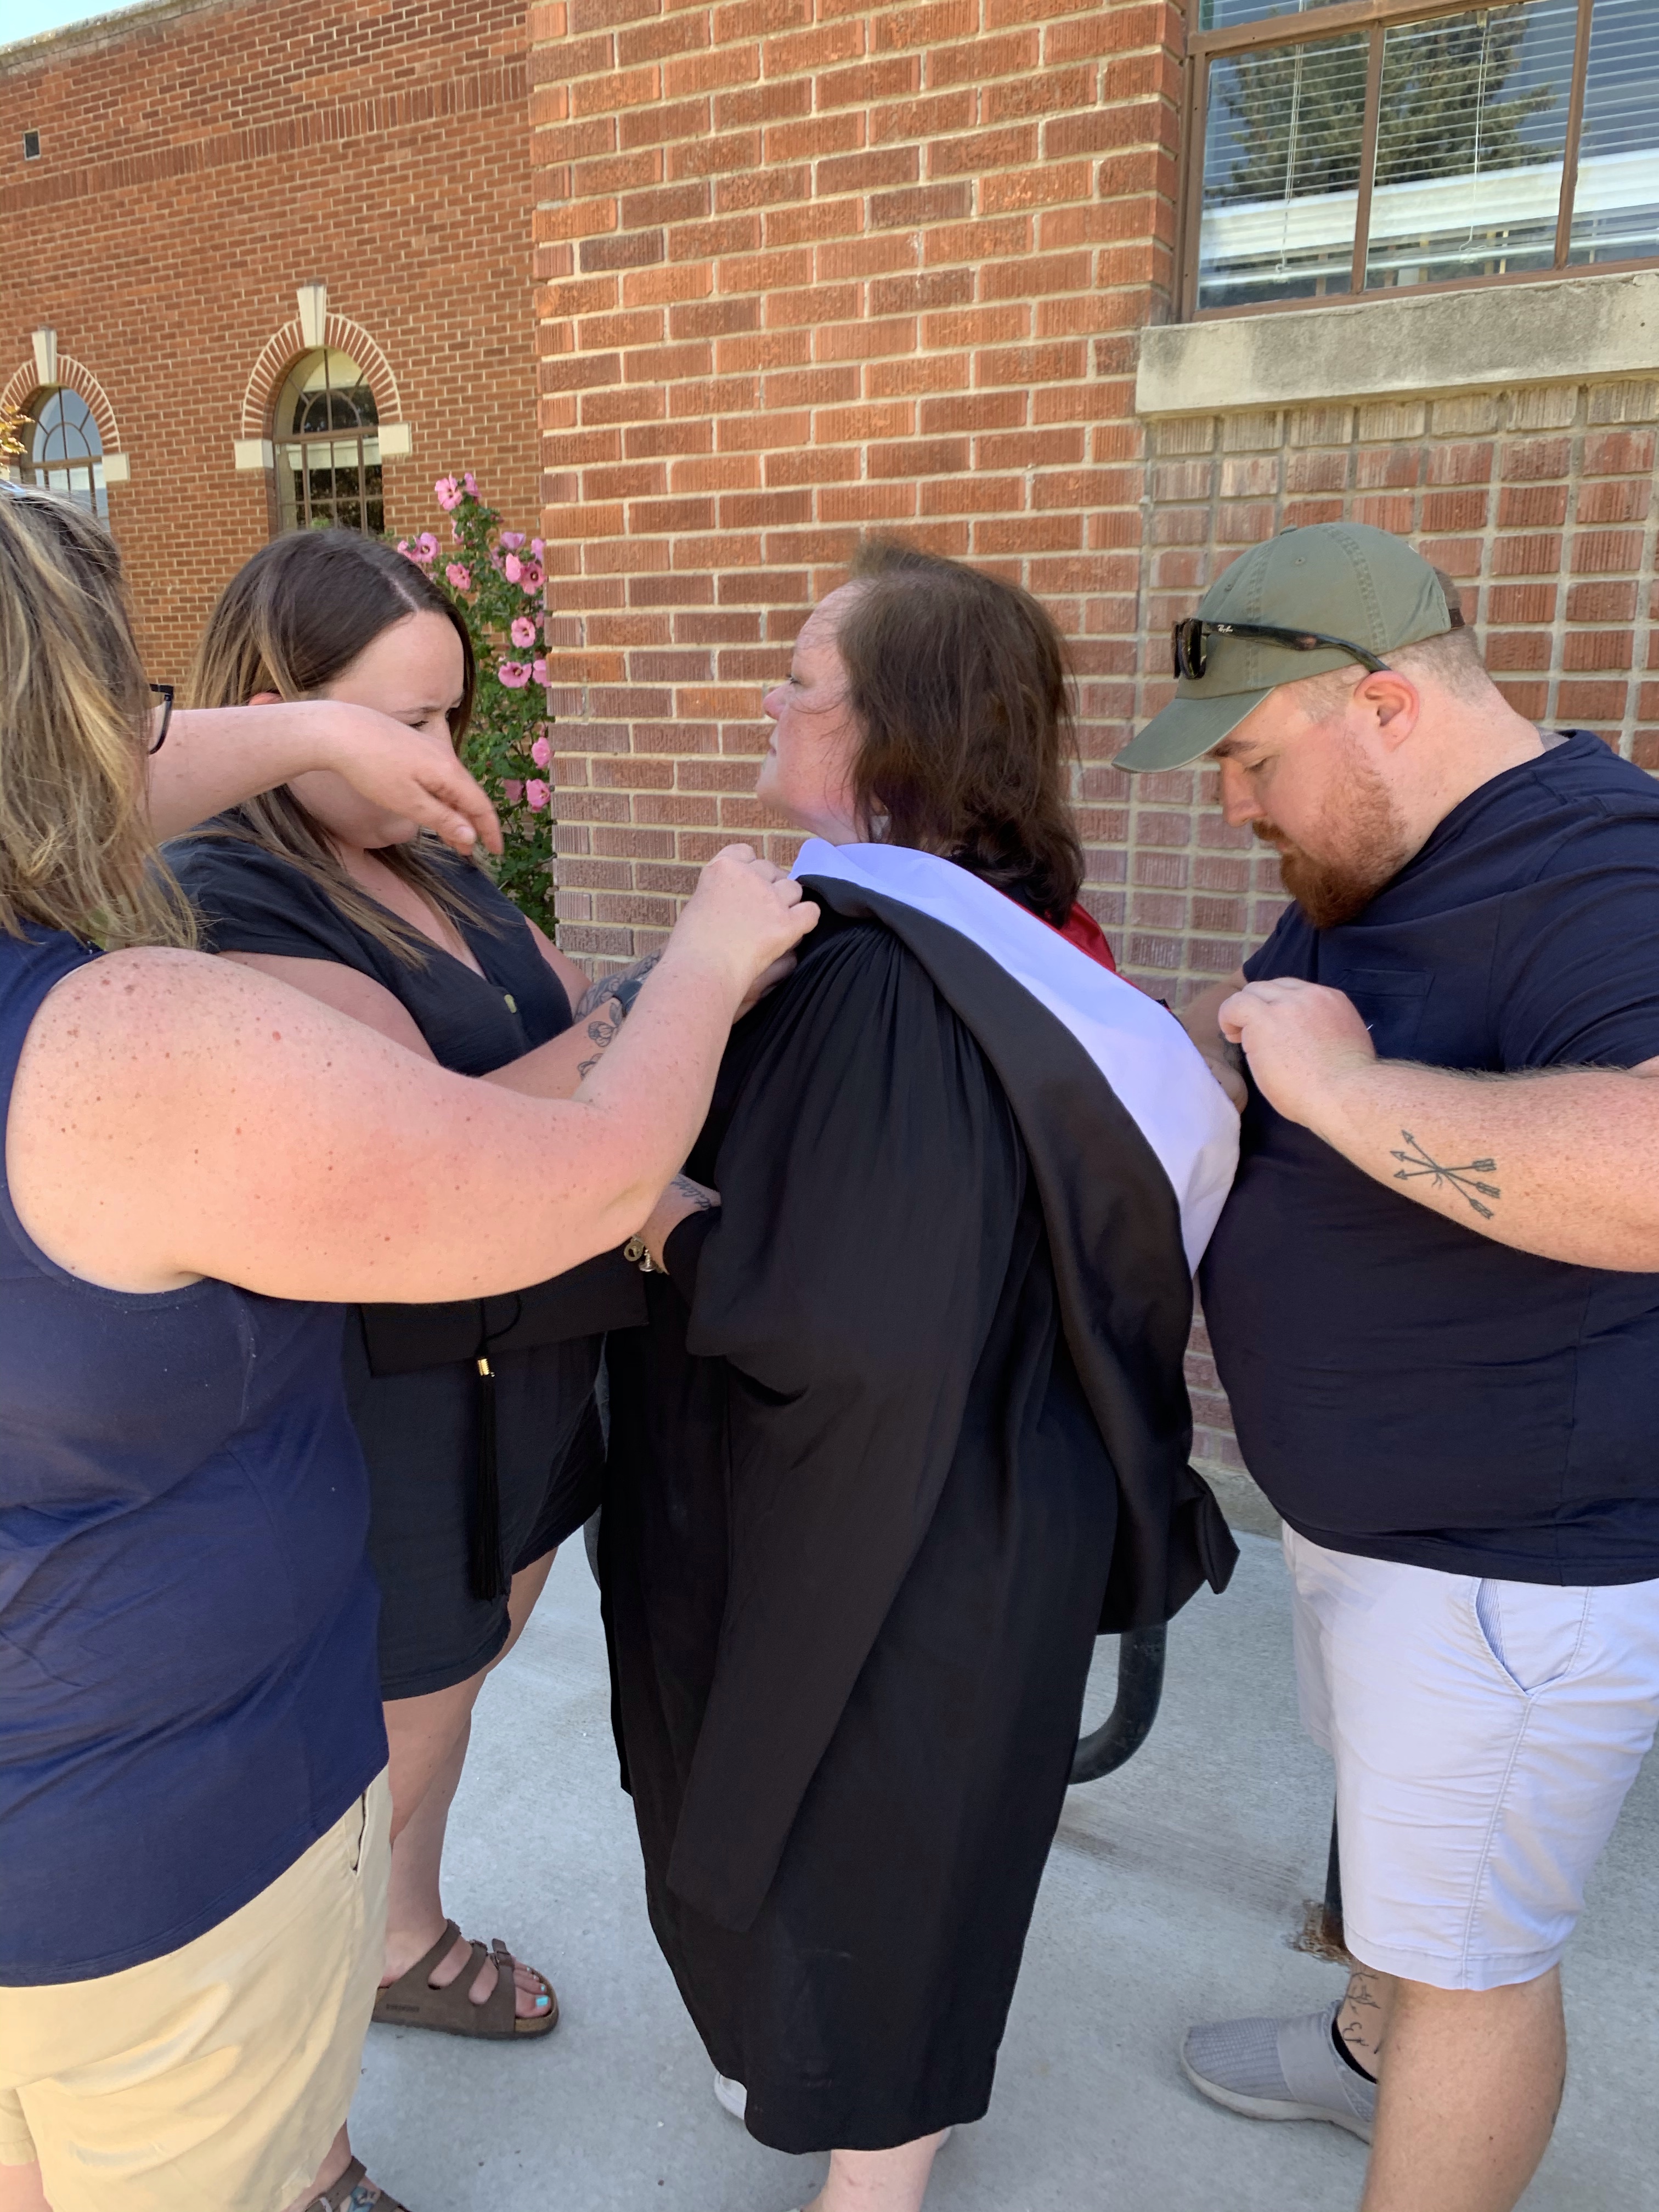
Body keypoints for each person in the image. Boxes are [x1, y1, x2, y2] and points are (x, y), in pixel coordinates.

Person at [0, 482, 815, 2212]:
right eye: (130, 704)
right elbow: (562, 1164)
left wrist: (324, 734)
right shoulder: (135, 1025)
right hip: (140, 1846)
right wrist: (703, 962)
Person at [601, 540, 1242, 2212]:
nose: (769, 698)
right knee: (917, 1852)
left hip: (900, 1534)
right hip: (977, 1496)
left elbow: (841, 1315)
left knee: (878, 1860)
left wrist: (653, 1214)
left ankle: (872, 2188)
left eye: (800, 678)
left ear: (890, 734)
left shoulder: (887, 979)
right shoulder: (1010, 943)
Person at [1113, 520, 1659, 2212]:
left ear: (1387, 705)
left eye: (1253, 760)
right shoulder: (1384, 871)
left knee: (1476, 1960)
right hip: (1392, 1538)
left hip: (1509, 1573)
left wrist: (1341, 1093)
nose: (1232, 805)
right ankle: (1370, 2054)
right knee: (1416, 1898)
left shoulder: (1605, 875)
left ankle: (1420, 2088)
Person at [170, 531, 670, 2089]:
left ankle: (397, 1937)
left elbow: (562, 1022)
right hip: (381, 1402)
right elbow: (443, 1138)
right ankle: (300, 2113)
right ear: (276, 716)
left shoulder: (424, 858)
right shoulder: (225, 900)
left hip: (520, 1371)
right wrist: (686, 989)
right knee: (371, 1742)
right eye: (403, 722)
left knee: (447, 1695)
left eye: (456, 715)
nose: (446, 757)